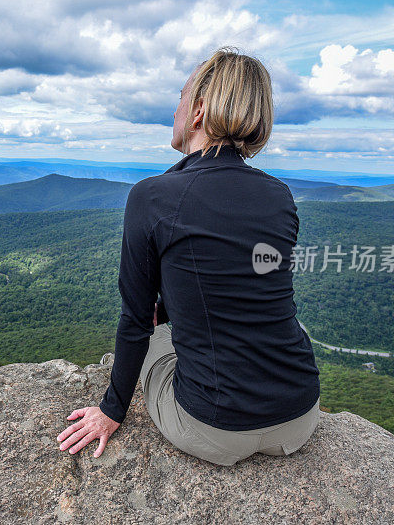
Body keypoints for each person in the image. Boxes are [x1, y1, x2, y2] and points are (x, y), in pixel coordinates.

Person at [56, 46, 321, 466]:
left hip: (214, 429)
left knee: (161, 332)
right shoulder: (280, 195)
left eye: (180, 97)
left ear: (198, 111)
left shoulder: (153, 196)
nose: (173, 111)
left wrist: (110, 411)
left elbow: (137, 319)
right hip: (300, 418)